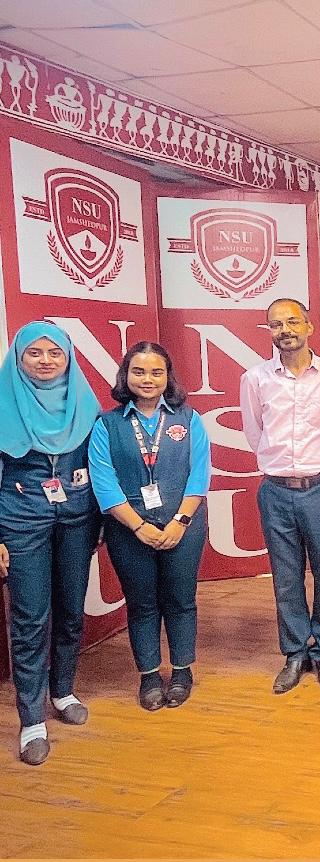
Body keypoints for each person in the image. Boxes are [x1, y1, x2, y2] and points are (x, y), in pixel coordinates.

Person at [88, 342, 211, 711]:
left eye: (157, 372)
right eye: (138, 371)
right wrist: (139, 526)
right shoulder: (107, 425)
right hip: (128, 530)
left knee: (181, 600)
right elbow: (104, 482)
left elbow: (199, 475)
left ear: (167, 376)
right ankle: (149, 676)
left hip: (183, 526)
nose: (147, 379)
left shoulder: (188, 419)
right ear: (125, 375)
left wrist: (180, 521)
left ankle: (182, 672)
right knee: (142, 604)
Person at [0, 322, 102, 766]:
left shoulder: (86, 403)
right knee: (29, 618)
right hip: (19, 520)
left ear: (68, 358)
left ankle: (62, 691)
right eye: (34, 353)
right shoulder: (2, 402)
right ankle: (32, 720)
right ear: (18, 358)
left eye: (54, 353)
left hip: (78, 518)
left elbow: (100, 468)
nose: (45, 361)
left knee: (71, 609)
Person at [240, 299, 320, 694]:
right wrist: (281, 465)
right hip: (276, 491)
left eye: (292, 322)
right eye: (275, 324)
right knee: (286, 579)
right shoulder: (255, 379)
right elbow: (255, 432)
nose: (284, 330)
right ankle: (294, 652)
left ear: (309, 327)